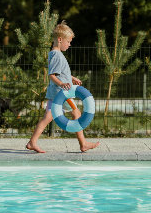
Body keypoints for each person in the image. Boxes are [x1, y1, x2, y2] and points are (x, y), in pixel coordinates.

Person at [26, 21, 100, 153]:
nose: (70, 44)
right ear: (60, 40)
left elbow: (61, 73)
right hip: (62, 93)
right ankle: (83, 144)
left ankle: (32, 142)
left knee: (48, 117)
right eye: (68, 41)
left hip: (58, 93)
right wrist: (62, 84)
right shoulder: (57, 55)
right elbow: (52, 75)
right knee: (76, 113)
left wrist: (71, 78)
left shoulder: (55, 54)